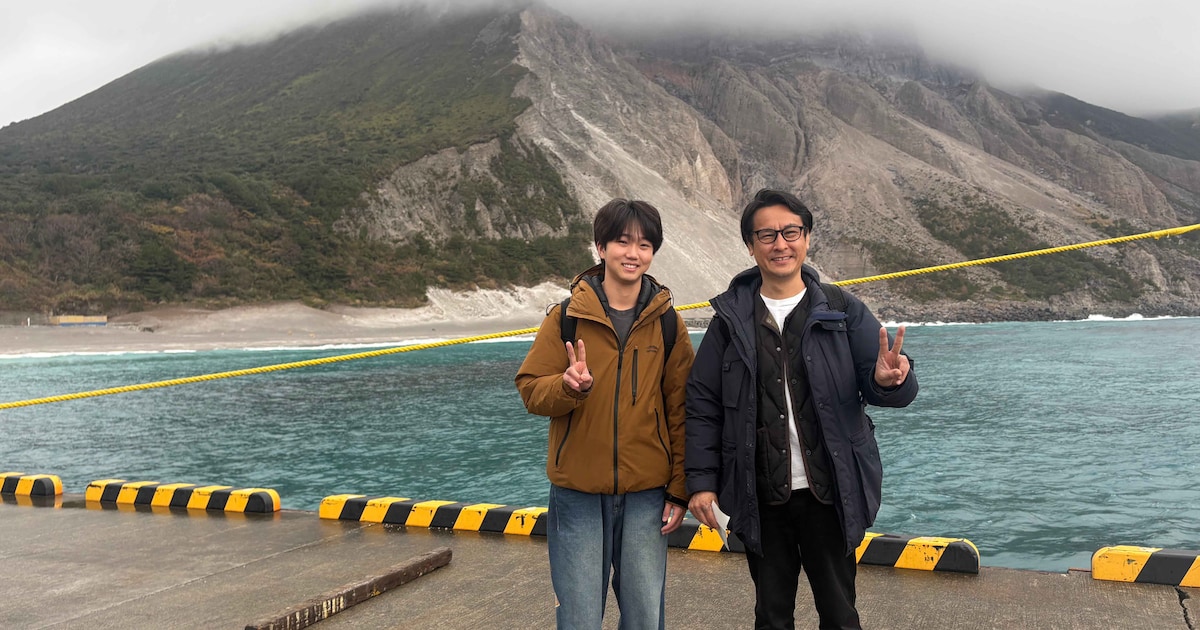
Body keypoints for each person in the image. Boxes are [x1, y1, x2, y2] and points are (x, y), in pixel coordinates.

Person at [684, 189, 917, 630]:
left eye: (791, 232)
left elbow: (889, 383)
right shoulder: (729, 321)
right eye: (766, 235)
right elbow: (702, 405)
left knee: (840, 614)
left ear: (807, 238)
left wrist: (891, 381)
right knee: (771, 617)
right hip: (759, 495)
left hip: (829, 494)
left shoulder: (841, 309)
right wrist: (700, 483)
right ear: (751, 246)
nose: (780, 243)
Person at [515, 198, 695, 629]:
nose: (633, 253)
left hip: (647, 496)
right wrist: (567, 387)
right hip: (576, 493)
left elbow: (682, 410)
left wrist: (680, 489)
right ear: (600, 247)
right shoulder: (565, 319)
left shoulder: (668, 323)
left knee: (645, 619)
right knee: (578, 620)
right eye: (622, 241)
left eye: (645, 244)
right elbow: (530, 390)